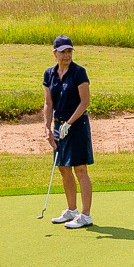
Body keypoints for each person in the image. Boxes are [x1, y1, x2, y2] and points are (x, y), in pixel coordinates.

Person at [44, 35, 94, 228]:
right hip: (59, 125)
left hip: (78, 126)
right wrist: (48, 128)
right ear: (54, 53)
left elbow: (85, 102)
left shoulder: (79, 72)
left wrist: (69, 123)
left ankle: (85, 214)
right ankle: (71, 210)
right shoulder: (49, 74)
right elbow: (48, 103)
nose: (66, 55)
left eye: (69, 51)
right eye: (63, 51)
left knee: (80, 169)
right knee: (63, 168)